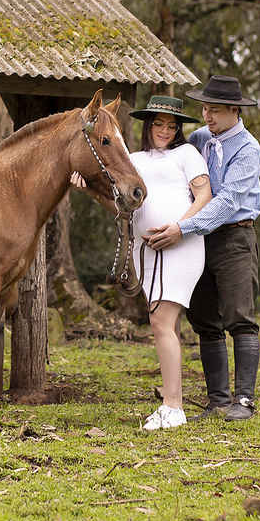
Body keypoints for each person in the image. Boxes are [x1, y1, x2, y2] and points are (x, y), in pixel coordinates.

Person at [73, 95, 212, 430]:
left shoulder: (187, 154)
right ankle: (174, 403)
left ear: (178, 130)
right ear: (148, 125)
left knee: (159, 320)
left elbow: (205, 197)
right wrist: (91, 191)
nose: (165, 130)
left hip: (180, 246)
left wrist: (178, 228)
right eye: (159, 124)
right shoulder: (133, 160)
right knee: (168, 325)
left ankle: (172, 407)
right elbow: (123, 210)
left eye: (172, 126)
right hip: (147, 251)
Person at [145, 76, 260, 421]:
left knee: (239, 316)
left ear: (235, 111)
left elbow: (227, 202)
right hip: (196, 241)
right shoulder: (198, 139)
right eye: (205, 108)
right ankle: (217, 401)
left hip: (234, 237)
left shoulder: (248, 150)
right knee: (203, 318)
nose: (206, 115)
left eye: (214, 110)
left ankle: (244, 401)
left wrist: (181, 227)